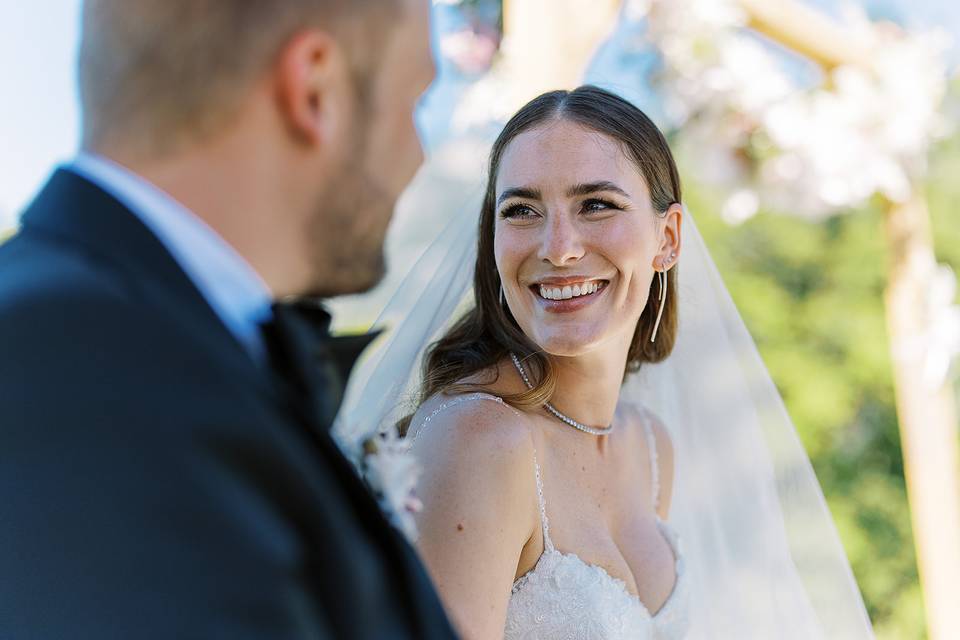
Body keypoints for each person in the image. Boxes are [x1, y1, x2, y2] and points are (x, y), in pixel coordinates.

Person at [337, 86, 875, 639]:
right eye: (522, 210)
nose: (558, 247)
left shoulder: (649, 448)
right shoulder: (480, 438)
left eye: (596, 204)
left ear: (667, 238)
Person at [0, 1, 456, 638]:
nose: (419, 155)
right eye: (414, 102)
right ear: (315, 89)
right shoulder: (78, 383)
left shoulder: (127, 339)